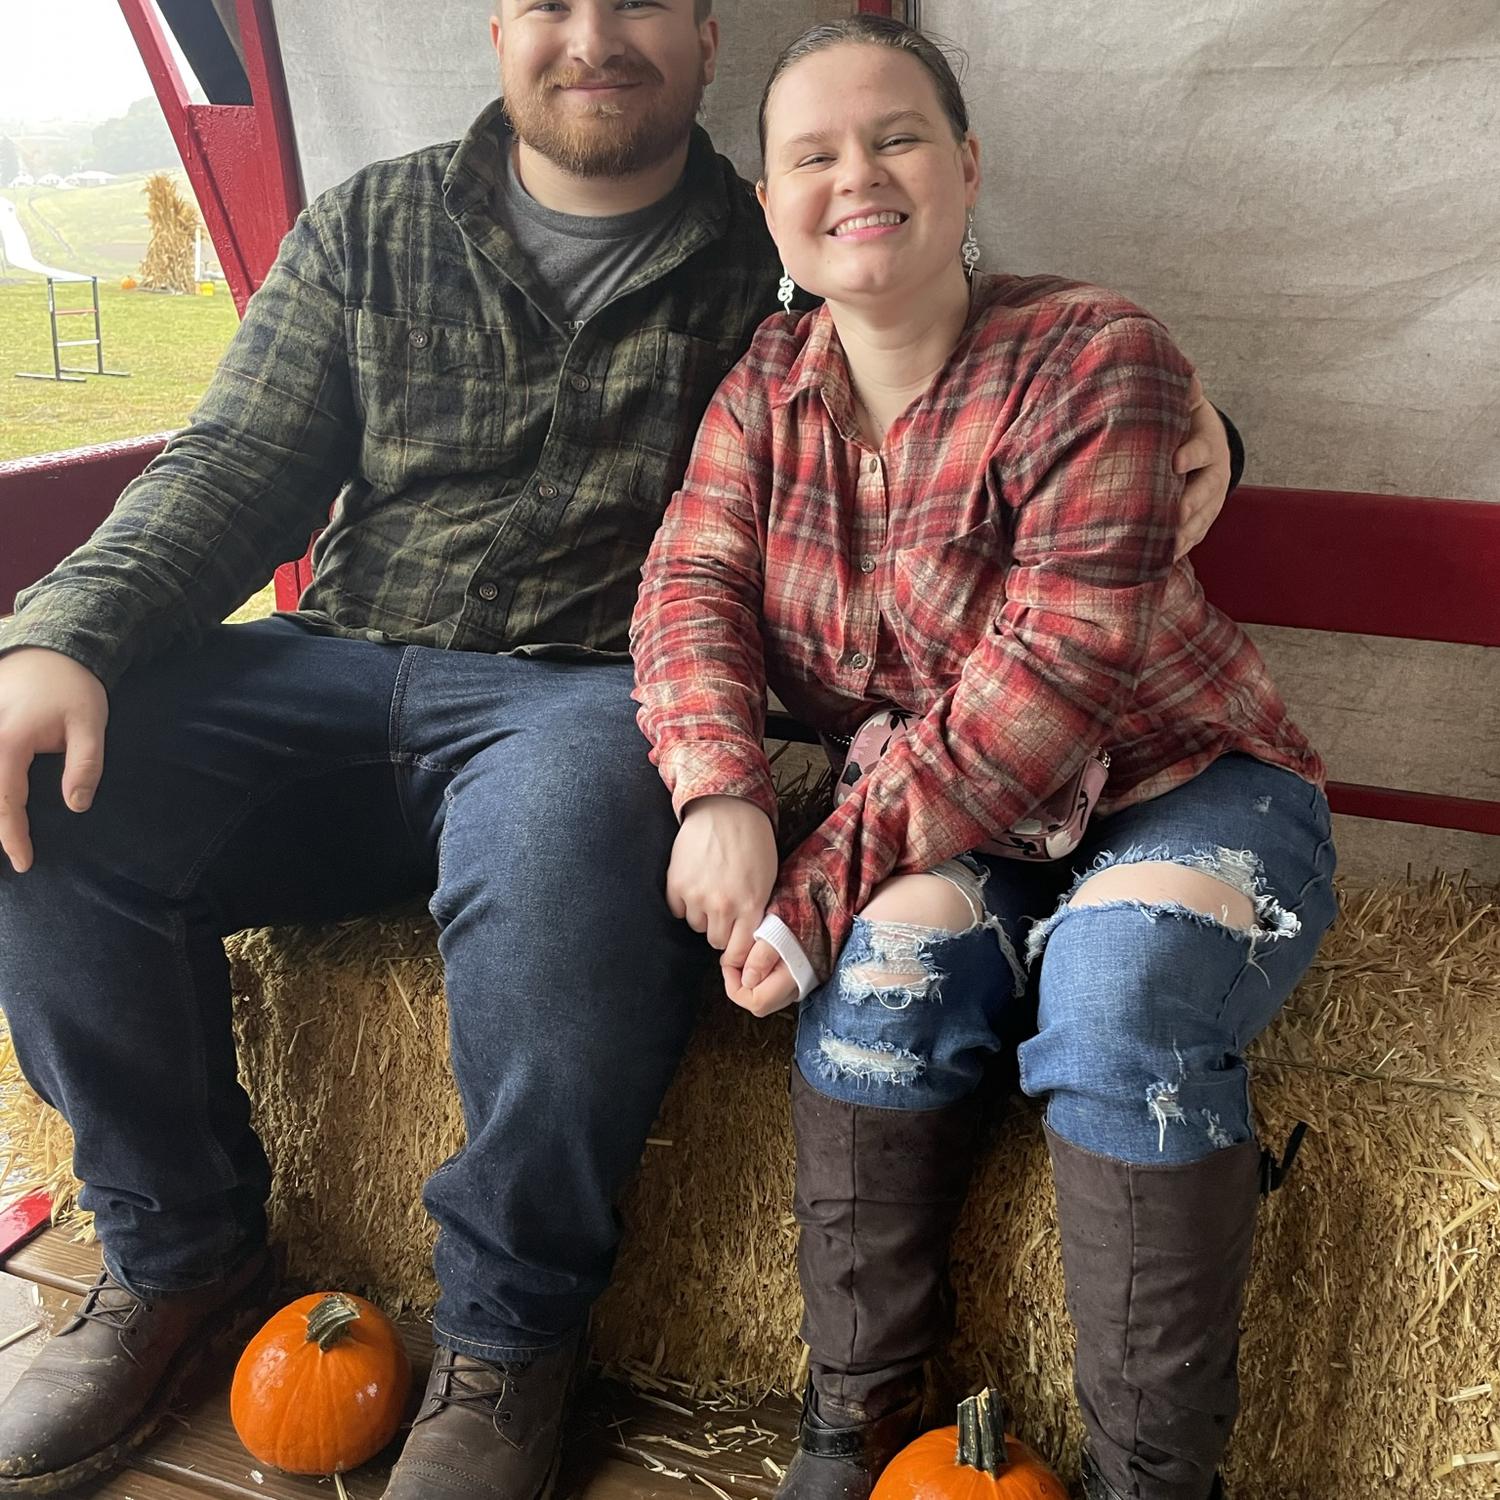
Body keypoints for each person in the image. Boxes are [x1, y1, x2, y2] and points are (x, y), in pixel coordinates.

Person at [0, 4, 1237, 1497]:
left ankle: (508, 1343)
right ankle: (175, 1251)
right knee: (48, 791)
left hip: (587, 691)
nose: (595, 35)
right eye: (552, 2)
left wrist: (1205, 420)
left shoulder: (770, 255)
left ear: (708, 38)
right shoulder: (376, 223)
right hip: (331, 667)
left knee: (576, 824)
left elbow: (946, 344)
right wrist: (60, 635)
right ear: (500, 29)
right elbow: (234, 461)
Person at [632, 18, 1336, 1500]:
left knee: (1120, 993)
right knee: (883, 979)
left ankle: (1154, 1481)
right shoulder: (767, 385)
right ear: (771, 207)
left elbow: (1046, 695)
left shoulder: (1098, 352)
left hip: (1179, 784)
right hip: (952, 827)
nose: (856, 176)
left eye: (894, 137)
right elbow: (690, 586)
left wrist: (810, 882)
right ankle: (868, 1436)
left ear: (965, 166)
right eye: (811, 155)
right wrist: (720, 788)